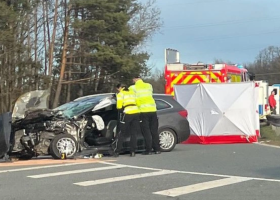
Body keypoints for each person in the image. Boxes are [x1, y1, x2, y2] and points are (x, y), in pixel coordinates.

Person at [129, 75, 161, 155]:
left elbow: (131, 99)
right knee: (154, 131)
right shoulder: (149, 85)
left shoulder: (132, 88)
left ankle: (148, 150)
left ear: (135, 79)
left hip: (143, 111)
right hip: (153, 110)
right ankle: (157, 149)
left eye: (133, 79)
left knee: (146, 131)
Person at [114, 83, 141, 157]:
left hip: (127, 113)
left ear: (120, 88)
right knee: (134, 133)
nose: (117, 90)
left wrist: (121, 111)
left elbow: (119, 106)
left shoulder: (121, 94)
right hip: (136, 113)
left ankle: (117, 151)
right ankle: (133, 152)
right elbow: (138, 103)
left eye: (117, 89)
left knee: (121, 132)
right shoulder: (133, 93)